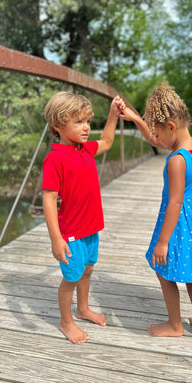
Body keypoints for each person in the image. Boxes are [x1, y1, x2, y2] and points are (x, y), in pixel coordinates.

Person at [119, 82, 192, 338]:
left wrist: (163, 242)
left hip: (178, 222)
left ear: (171, 127)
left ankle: (175, 325)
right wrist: (134, 118)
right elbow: (157, 140)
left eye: (158, 134)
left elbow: (174, 202)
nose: (156, 140)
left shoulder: (175, 161)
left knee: (162, 270)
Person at [42, 91, 125, 344]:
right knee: (71, 278)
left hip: (91, 229)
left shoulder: (85, 150)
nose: (86, 127)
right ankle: (66, 322)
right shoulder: (55, 159)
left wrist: (112, 115)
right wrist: (57, 239)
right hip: (71, 234)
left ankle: (83, 309)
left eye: (88, 121)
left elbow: (108, 142)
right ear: (58, 126)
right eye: (78, 122)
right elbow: (48, 200)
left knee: (87, 271)